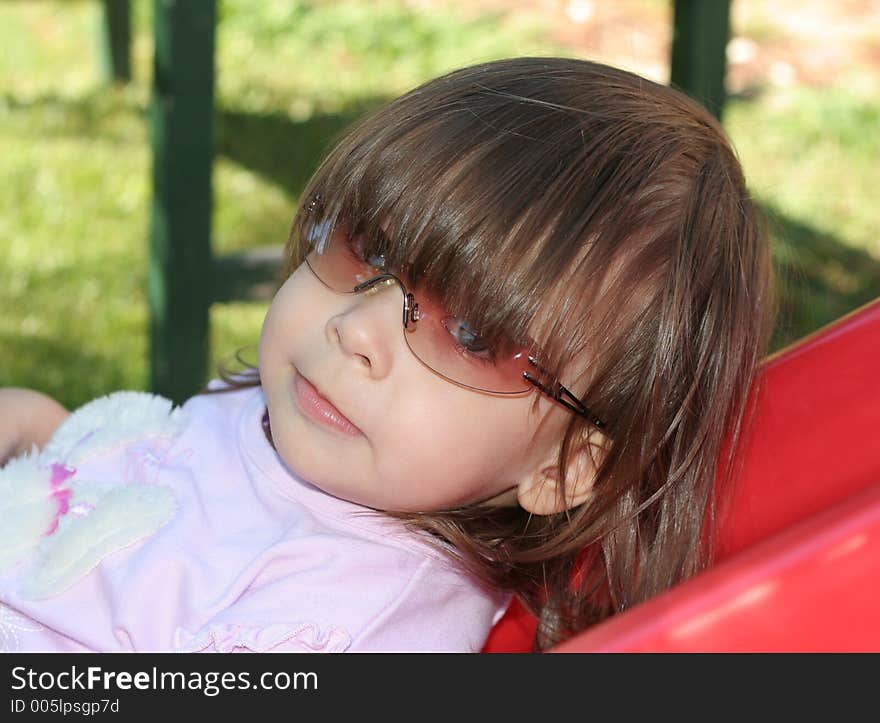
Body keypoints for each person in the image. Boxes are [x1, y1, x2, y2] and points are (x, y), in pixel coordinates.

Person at [0, 56, 774, 652]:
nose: (358, 328)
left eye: (472, 334)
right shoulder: (302, 428)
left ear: (565, 466)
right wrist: (44, 429)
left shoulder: (355, 619)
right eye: (364, 249)